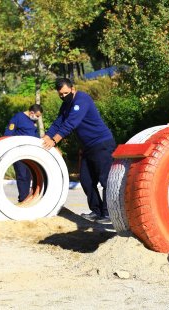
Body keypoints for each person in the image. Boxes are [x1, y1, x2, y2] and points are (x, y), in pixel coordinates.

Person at [41, 78, 116, 224]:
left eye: (66, 93)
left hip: (102, 144)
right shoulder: (66, 105)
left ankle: (108, 214)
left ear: (73, 89)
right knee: (86, 180)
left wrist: (54, 140)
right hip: (88, 147)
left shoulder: (82, 100)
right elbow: (58, 123)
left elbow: (71, 124)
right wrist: (46, 137)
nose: (63, 96)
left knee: (105, 179)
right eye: (60, 94)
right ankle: (97, 211)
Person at [4, 104, 43, 203]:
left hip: (30, 153)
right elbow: (8, 133)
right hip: (18, 153)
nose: (38, 118)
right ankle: (22, 199)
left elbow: (35, 135)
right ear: (31, 112)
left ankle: (28, 198)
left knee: (29, 176)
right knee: (22, 176)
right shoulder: (18, 117)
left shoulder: (32, 120)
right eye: (37, 116)